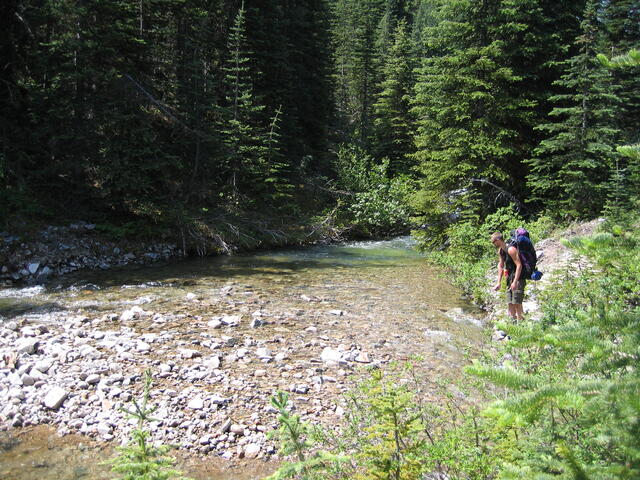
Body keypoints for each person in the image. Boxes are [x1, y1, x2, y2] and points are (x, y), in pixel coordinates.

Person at [491, 232, 525, 321]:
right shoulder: (501, 251)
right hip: (509, 278)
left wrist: (515, 282)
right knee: (510, 302)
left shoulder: (511, 249)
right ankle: (511, 324)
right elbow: (501, 265)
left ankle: (521, 325)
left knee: (517, 302)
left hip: (518, 278)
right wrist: (498, 282)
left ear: (498, 240)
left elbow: (519, 265)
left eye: (493, 241)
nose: (493, 243)